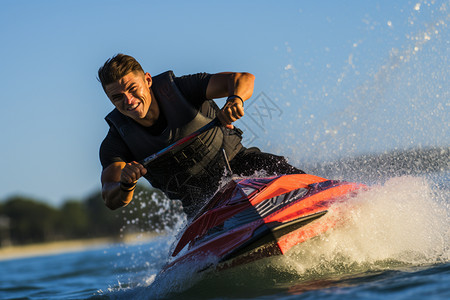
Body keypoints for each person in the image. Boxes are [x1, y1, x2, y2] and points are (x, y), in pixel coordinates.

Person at [99, 54, 304, 217]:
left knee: (292, 176)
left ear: (148, 80)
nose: (128, 100)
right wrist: (125, 185)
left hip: (245, 167)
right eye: (117, 97)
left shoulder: (182, 89)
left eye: (132, 89)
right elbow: (110, 196)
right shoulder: (116, 141)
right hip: (202, 206)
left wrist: (235, 100)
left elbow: (243, 79)